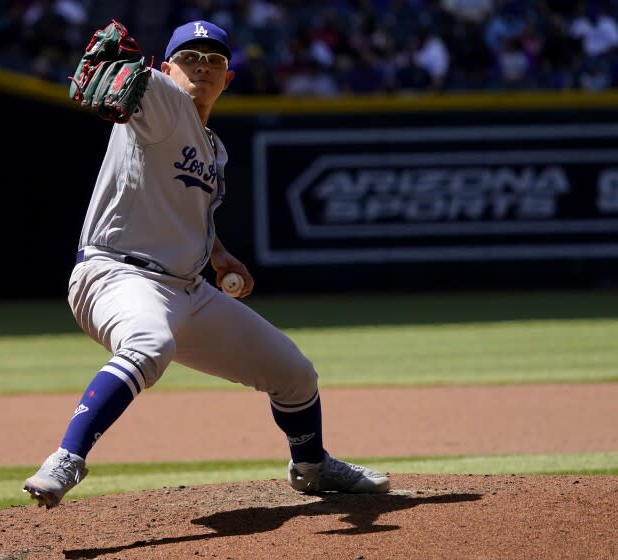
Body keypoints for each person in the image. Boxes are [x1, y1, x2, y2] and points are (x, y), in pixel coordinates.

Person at [22, 19, 391, 509]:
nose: (202, 66)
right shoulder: (162, 100)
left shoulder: (213, 148)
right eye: (190, 57)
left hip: (188, 290)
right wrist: (130, 73)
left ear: (228, 78)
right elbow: (123, 83)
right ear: (167, 67)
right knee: (150, 343)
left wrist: (219, 256)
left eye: (214, 60)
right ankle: (67, 457)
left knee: (295, 373)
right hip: (115, 274)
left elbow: (195, 218)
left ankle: (312, 467)